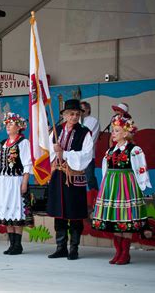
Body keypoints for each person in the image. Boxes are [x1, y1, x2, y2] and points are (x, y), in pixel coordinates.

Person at [92, 115, 150, 265]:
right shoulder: (110, 150)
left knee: (126, 218)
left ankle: (125, 253)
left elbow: (141, 168)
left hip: (126, 185)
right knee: (117, 219)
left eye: (116, 131)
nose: (113, 133)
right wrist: (105, 187)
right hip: (112, 186)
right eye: (113, 130)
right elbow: (105, 170)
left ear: (125, 133)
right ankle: (118, 251)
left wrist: (142, 185)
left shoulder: (134, 150)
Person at [47, 99, 94, 260]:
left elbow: (87, 154)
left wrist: (65, 153)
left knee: (74, 213)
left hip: (73, 177)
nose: (74, 117)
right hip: (58, 175)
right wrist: (54, 151)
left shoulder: (84, 132)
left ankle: (74, 248)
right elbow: (48, 152)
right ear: (65, 115)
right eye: (71, 114)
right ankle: (61, 247)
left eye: (77, 114)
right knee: (59, 213)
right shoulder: (56, 130)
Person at [0, 113, 33, 255]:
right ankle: (11, 244)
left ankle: (18, 245)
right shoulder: (2, 143)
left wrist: (24, 182)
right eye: (7, 123)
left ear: (19, 127)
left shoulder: (23, 143)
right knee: (6, 212)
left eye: (11, 123)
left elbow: (27, 164)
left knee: (16, 211)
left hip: (15, 181)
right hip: (2, 181)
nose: (8, 126)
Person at [80, 101, 100, 192]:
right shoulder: (77, 120)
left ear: (88, 110)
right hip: (76, 155)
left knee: (90, 178)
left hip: (88, 155)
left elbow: (91, 138)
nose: (80, 112)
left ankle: (95, 198)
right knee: (76, 178)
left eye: (82, 110)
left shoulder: (93, 121)